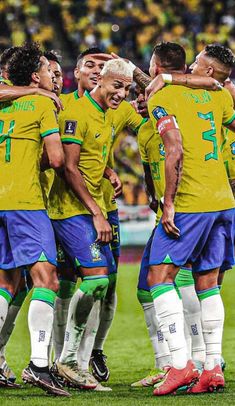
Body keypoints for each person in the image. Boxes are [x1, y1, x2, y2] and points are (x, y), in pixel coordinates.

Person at [147, 43, 235, 395]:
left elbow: (175, 150)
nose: (190, 67)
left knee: (159, 275)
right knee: (208, 280)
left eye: (196, 63)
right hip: (223, 201)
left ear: (208, 71)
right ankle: (212, 366)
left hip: (191, 200)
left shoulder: (165, 97)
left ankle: (181, 365)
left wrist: (168, 202)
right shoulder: (221, 98)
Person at [48, 59, 133, 390]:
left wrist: (110, 173)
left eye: (126, 89)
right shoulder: (75, 113)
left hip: (90, 209)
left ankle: (74, 358)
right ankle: (66, 359)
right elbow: (69, 168)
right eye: (116, 86)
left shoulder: (112, 113)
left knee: (104, 281)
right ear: (101, 80)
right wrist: (96, 212)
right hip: (69, 210)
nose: (121, 94)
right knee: (92, 280)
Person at [0, 42, 69, 396]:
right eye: (45, 68)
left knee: (7, 283)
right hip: (25, 199)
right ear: (33, 76)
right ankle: (40, 365)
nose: (51, 74)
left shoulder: (4, 100)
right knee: (47, 279)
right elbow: (57, 160)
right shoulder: (42, 102)